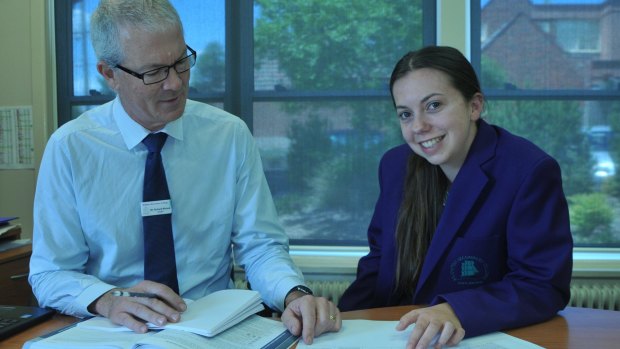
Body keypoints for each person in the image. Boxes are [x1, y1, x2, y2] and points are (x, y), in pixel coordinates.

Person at [29, 0, 340, 344]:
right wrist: (107, 300)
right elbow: (50, 273)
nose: (175, 84)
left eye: (180, 62)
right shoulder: (71, 148)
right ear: (109, 74)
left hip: (214, 330)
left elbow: (260, 246)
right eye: (154, 72)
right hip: (116, 332)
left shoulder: (228, 136)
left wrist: (293, 294)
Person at [338, 46, 573, 348]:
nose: (419, 126)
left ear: (474, 106)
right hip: (396, 336)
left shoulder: (529, 171)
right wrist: (337, 320)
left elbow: (543, 285)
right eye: (405, 114)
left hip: (474, 339)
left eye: (433, 105)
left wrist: (456, 310)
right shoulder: (394, 165)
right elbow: (378, 265)